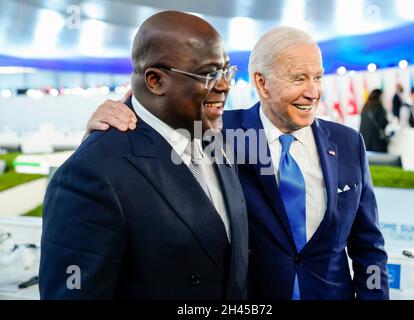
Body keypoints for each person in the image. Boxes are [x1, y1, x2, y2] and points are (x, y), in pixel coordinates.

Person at [87, 26, 389, 300]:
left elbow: (369, 247)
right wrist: (112, 118)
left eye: (318, 76)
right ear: (262, 82)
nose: (313, 91)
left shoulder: (349, 143)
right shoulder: (219, 133)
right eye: (299, 78)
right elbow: (153, 137)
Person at [39, 11, 248, 299]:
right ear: (155, 81)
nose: (225, 85)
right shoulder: (90, 174)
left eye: (227, 71)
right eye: (210, 74)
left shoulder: (217, 138)